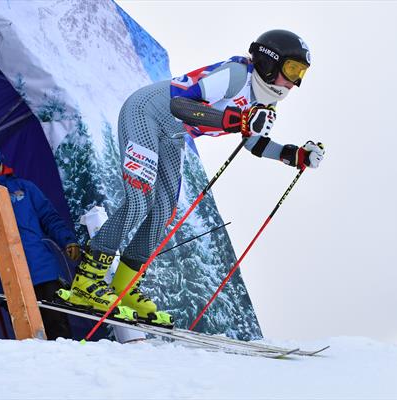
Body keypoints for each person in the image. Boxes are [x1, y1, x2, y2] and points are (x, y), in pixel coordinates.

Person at [67, 29, 326, 326]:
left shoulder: (266, 102)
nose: (295, 82)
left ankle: (123, 286)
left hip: (172, 135)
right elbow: (180, 103)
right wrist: (236, 120)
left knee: (164, 211)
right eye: (292, 70)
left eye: (301, 73)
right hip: (145, 113)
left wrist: (295, 155)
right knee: (139, 201)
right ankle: (87, 281)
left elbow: (253, 142)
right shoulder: (236, 75)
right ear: (269, 62)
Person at [0, 143, 80, 340]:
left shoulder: (25, 188)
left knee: (58, 328)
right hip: (7, 279)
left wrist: (67, 241)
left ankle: (69, 368)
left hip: (42, 271)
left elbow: (50, 218)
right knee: (29, 336)